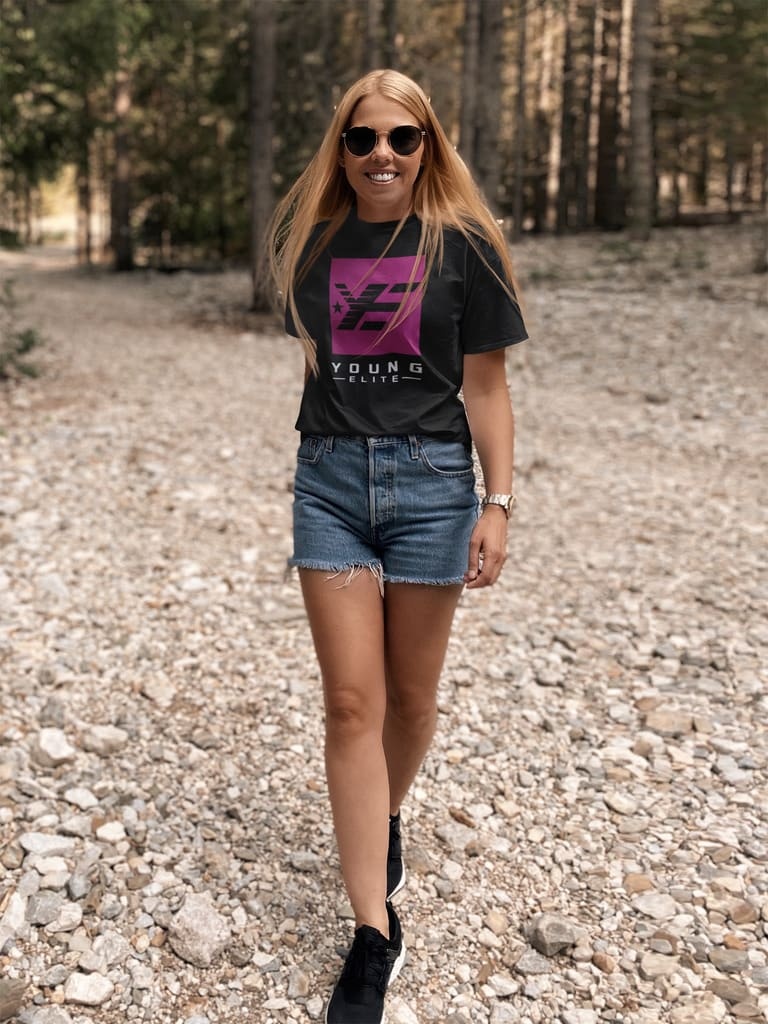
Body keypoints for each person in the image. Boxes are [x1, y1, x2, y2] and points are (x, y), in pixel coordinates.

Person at [267, 68, 527, 1024]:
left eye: (402, 138)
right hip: (330, 484)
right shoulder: (313, 243)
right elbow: (321, 367)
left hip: (432, 489)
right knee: (350, 704)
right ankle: (374, 932)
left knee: (411, 701)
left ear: (428, 146)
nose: (382, 153)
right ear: (342, 149)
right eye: (364, 137)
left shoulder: (466, 247)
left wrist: (498, 504)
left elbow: (487, 388)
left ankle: (382, 814)